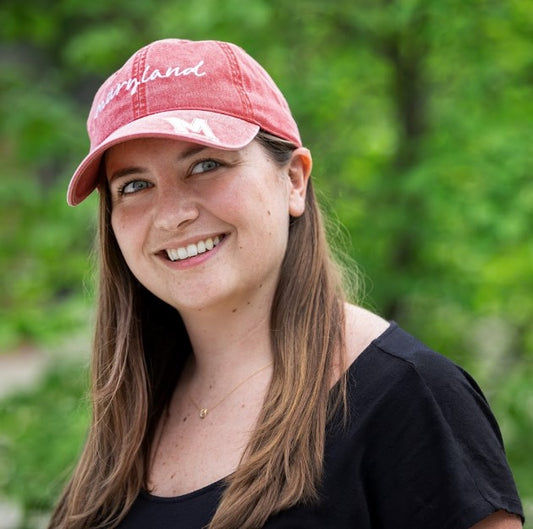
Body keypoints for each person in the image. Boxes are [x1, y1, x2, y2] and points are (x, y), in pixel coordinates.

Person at [48, 38, 524, 529]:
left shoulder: (410, 396)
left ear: (294, 180)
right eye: (134, 185)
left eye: (206, 165)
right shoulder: (132, 412)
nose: (172, 215)